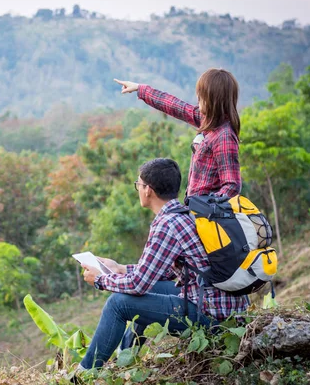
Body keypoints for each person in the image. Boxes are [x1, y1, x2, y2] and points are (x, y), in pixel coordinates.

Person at [78, 158, 249, 370]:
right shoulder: (186, 213)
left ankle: (85, 373)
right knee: (139, 293)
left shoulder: (167, 224)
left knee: (118, 303)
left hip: (212, 318)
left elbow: (139, 284)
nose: (138, 189)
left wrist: (100, 279)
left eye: (138, 185)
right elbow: (163, 272)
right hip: (226, 307)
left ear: (148, 190)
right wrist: (120, 269)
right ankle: (125, 359)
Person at [114, 69, 242, 199]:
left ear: (213, 99)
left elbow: (232, 186)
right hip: (196, 209)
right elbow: (176, 106)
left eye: (201, 95)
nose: (198, 98)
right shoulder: (208, 121)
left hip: (206, 215)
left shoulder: (224, 136)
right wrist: (140, 89)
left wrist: (207, 207)